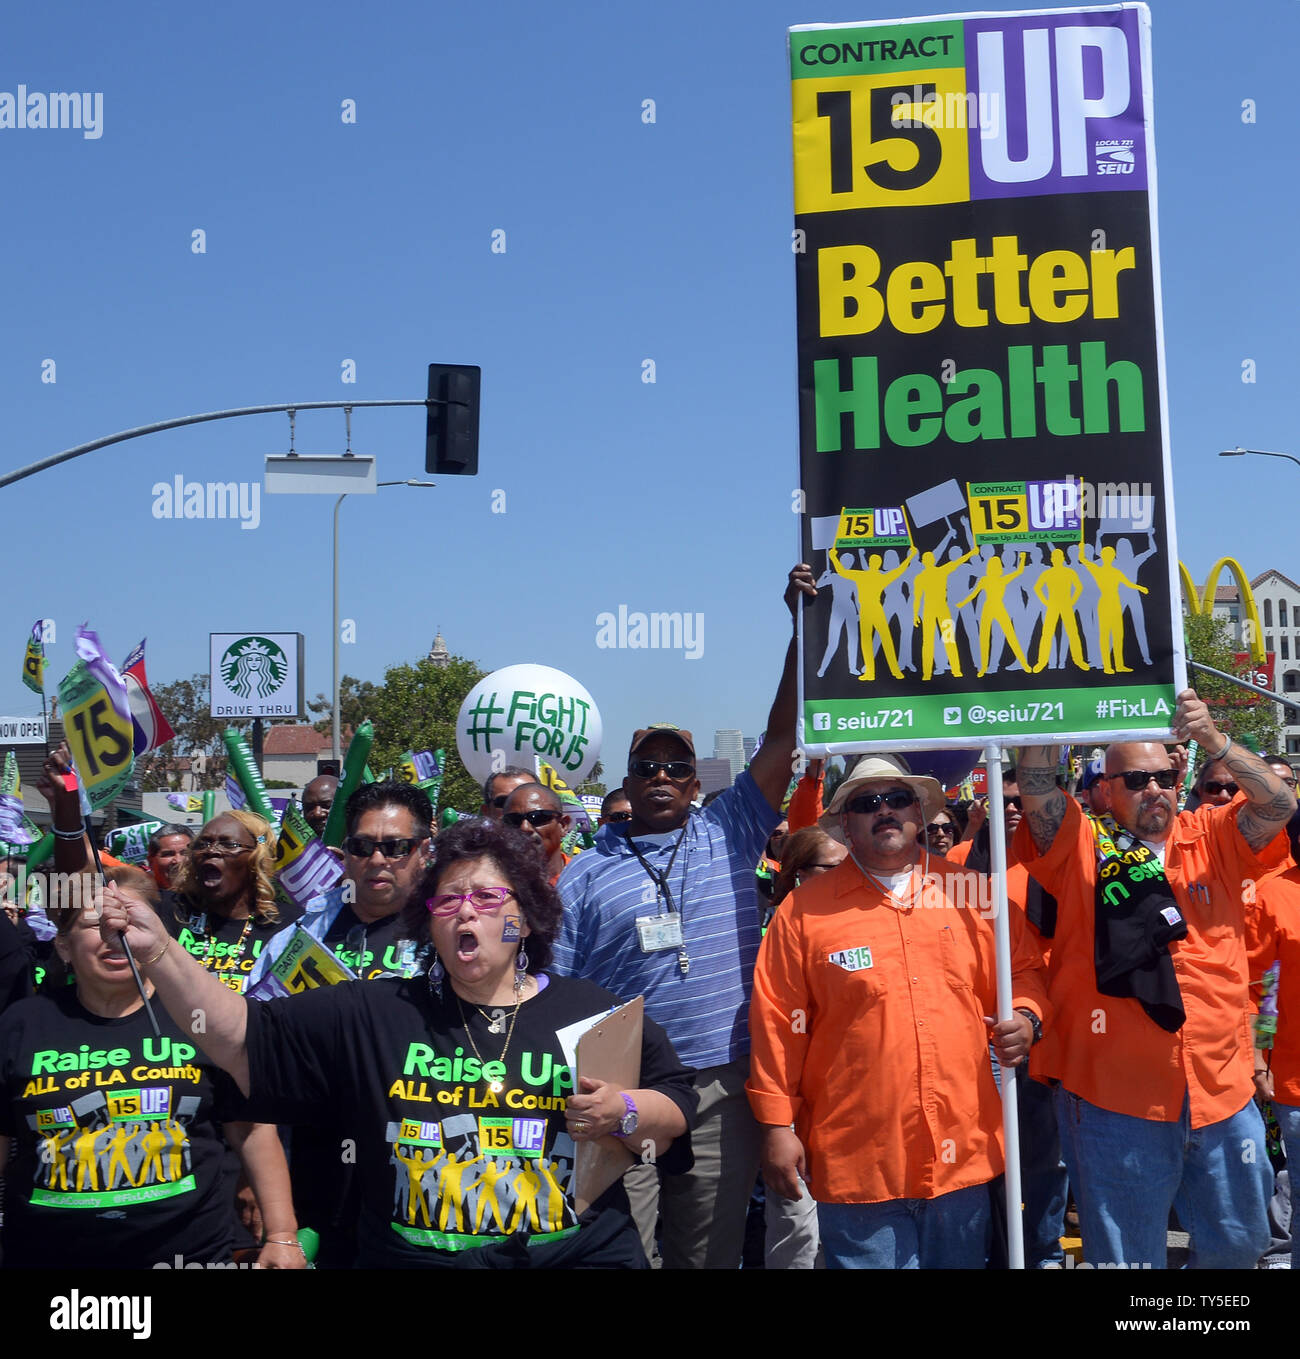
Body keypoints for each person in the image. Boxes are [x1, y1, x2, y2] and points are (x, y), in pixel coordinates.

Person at [98, 820, 697, 1268]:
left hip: (575, 1255)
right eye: (447, 901)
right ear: (428, 921)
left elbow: (675, 1106)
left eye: (488, 899)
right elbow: (236, 1035)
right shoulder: (375, 1010)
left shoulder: (588, 1008)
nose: (466, 913)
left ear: (526, 919)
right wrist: (158, 950)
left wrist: (626, 1111)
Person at [554, 564, 815, 1269]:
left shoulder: (727, 829)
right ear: (627, 782)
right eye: (648, 766)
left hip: (717, 1086)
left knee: (709, 1252)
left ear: (698, 782)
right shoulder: (582, 876)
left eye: (676, 766)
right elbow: (555, 996)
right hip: (620, 1087)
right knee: (624, 1252)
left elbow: (783, 738)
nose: (662, 776)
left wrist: (800, 627)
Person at [1014, 690, 1296, 1268]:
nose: (1154, 790)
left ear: (1179, 775)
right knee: (1128, 1261)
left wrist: (1215, 739)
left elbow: (1278, 804)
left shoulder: (1214, 835)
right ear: (1105, 788)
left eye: (1164, 776)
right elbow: (1039, 787)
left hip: (1222, 1090)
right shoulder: (1081, 845)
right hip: (1116, 1099)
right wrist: (1049, 706)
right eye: (1136, 780)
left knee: (1241, 1244)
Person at [748, 754, 1048, 1269]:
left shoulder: (975, 894)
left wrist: (1026, 1016)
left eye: (897, 799)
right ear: (847, 822)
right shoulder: (804, 910)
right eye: (868, 803)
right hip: (858, 1164)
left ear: (920, 811)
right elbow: (777, 1023)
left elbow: (1025, 972)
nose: (884, 811)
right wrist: (777, 1127)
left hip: (964, 1152)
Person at [0, 866, 302, 1269]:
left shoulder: (200, 1018)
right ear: (63, 946)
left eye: (128, 920)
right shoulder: (21, 1024)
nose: (114, 935)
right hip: (48, 1258)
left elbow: (251, 1129)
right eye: (95, 924)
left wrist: (282, 1236)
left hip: (189, 1254)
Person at [246, 780, 434, 1267]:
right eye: (362, 846)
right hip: (314, 1155)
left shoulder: (449, 936)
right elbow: (255, 1050)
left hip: (417, 1157)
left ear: (423, 851)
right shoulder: (296, 938)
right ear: (343, 853)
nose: (378, 860)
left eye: (395, 847)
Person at [756, 824, 847, 1271]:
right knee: (800, 1234)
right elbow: (775, 1032)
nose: (847, 876)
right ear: (798, 873)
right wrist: (779, 1125)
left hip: (847, 1117)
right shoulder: (782, 927)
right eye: (833, 868)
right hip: (795, 1115)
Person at [165, 811, 301, 993]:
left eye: (228, 844)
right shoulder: (172, 910)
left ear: (257, 857)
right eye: (203, 844)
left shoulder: (291, 925)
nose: (211, 850)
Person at [502, 783, 571, 885]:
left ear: (563, 825)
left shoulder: (584, 878)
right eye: (514, 820)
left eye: (538, 817)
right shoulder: (494, 884)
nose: (525, 828)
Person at [146, 823, 195, 891]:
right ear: (151, 861)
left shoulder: (208, 897)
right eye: (168, 854)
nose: (178, 860)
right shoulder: (141, 898)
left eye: (185, 853)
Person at [301, 774, 340, 840]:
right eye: (310, 807)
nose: (317, 813)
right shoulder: (297, 848)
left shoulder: (359, 847)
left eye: (327, 806)